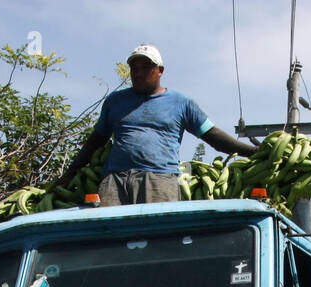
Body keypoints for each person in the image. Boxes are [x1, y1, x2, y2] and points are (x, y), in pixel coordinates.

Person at [59, 44, 259, 206]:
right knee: (112, 239)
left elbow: (213, 135)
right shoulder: (115, 101)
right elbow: (95, 141)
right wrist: (69, 174)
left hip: (159, 178)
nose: (138, 73)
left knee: (158, 238)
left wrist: (252, 152)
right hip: (116, 180)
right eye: (134, 68)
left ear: (160, 71)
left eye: (146, 67)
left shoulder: (181, 102)